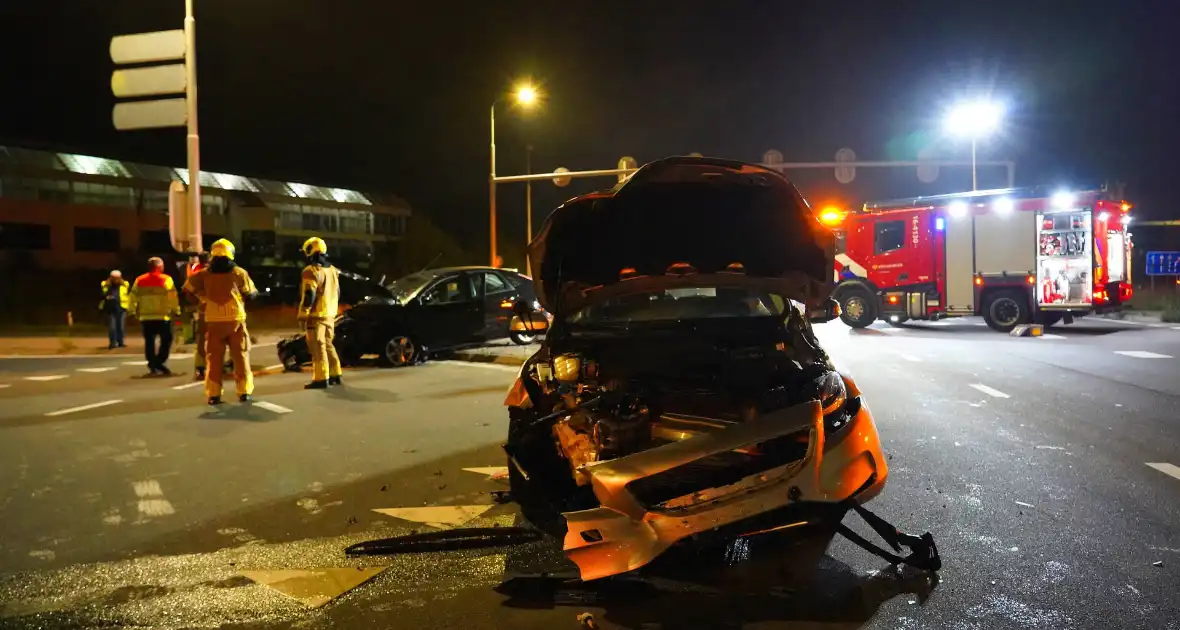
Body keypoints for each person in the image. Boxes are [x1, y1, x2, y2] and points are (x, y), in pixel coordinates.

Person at [183, 239, 259, 405]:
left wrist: (201, 301)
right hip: (235, 321)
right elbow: (251, 294)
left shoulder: (203, 274)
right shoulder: (239, 273)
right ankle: (244, 391)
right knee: (240, 358)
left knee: (214, 359)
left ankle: (214, 394)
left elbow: (187, 290)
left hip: (213, 321)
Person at [298, 236, 343, 389]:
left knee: (317, 348)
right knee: (329, 345)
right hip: (330, 314)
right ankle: (335, 373)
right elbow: (338, 292)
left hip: (316, 316)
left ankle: (321, 378)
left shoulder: (310, 271)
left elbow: (309, 294)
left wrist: (303, 314)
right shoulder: (333, 271)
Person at [129, 257, 180, 376]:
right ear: (159, 267)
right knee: (166, 339)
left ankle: (152, 364)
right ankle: (159, 362)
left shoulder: (139, 280)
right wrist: (176, 311)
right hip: (162, 316)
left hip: (146, 317)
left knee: (149, 342)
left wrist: (131, 312)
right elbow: (172, 296)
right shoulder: (166, 279)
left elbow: (133, 297)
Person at [185, 252, 210, 381]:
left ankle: (201, 366)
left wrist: (198, 302)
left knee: (201, 341)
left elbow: (187, 291)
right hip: (218, 312)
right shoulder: (217, 272)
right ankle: (216, 365)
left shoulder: (197, 273)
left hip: (204, 310)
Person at [99, 270, 129, 349]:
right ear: (111, 278)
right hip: (110, 308)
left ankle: (120, 342)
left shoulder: (125, 284)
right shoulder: (105, 284)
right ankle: (112, 343)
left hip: (122, 308)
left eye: (117, 278)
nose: (116, 280)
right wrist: (107, 296)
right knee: (112, 327)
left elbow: (128, 294)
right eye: (114, 278)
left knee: (121, 327)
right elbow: (102, 294)